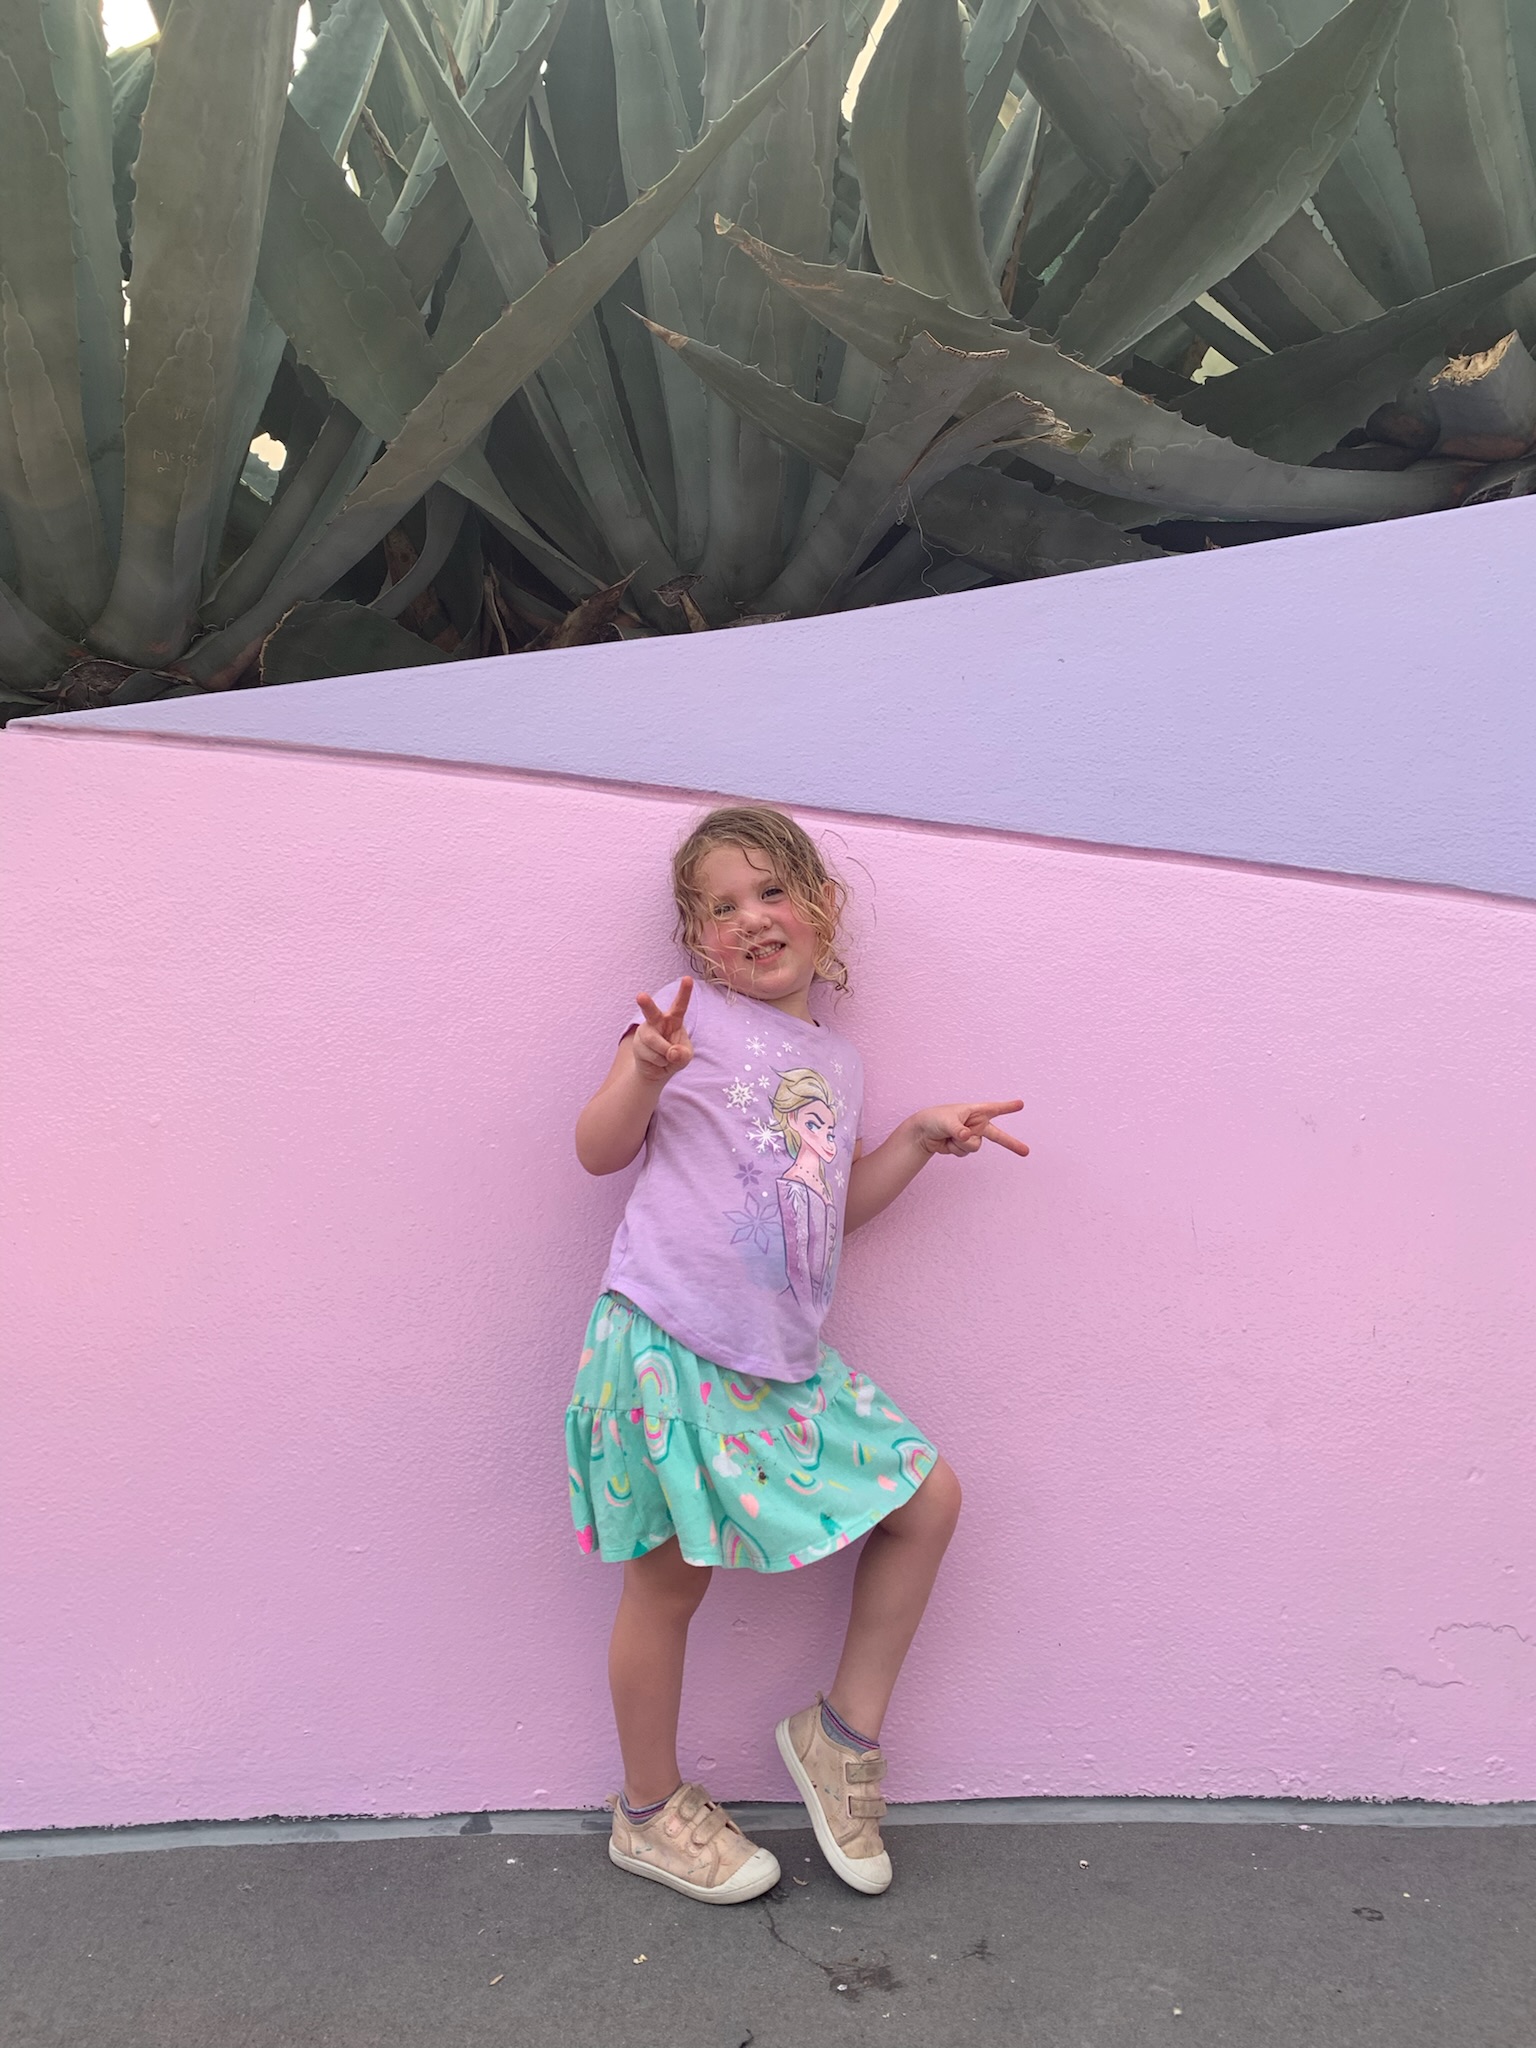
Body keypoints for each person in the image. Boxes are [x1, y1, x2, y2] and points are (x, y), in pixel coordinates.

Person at [569, 805, 1029, 1905]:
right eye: (720, 908)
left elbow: (828, 1210)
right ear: (698, 941)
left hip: (778, 1360)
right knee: (667, 1583)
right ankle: (648, 1811)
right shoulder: (683, 1025)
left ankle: (839, 1735)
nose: (751, 918)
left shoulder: (837, 1060)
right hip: (669, 1342)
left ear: (822, 906)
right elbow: (596, 1150)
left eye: (772, 891)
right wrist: (644, 1070)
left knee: (927, 1498)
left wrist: (914, 1140)